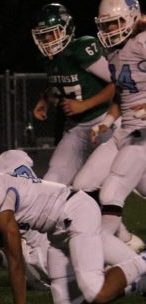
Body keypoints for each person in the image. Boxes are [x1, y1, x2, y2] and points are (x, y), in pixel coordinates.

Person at [0, 142, 146, 304]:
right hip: (57, 228)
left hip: (75, 213)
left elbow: (15, 260)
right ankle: (142, 280)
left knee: (94, 291)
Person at [73, 0, 146, 252]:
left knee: (111, 193)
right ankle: (120, 245)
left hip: (144, 134)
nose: (110, 30)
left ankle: (103, 253)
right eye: (106, 25)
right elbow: (121, 97)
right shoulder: (113, 52)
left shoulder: (142, 41)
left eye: (115, 22)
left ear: (133, 18)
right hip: (124, 132)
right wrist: (105, 122)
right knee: (82, 186)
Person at [31, 3, 116, 186]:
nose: (47, 39)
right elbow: (61, 84)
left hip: (105, 122)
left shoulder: (81, 49)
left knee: (105, 183)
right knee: (53, 180)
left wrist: (85, 105)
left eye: (51, 32)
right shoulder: (49, 59)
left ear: (66, 29)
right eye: (43, 34)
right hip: (77, 128)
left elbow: (118, 84)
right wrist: (46, 99)